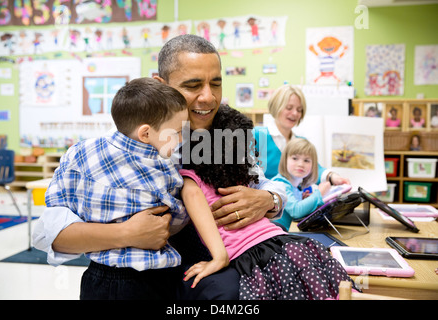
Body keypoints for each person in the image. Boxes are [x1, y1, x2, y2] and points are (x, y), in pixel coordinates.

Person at [33, 34, 287, 300]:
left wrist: (269, 200)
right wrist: (125, 233)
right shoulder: (108, 152)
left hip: (216, 279)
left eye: (216, 84)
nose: (208, 98)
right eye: (193, 85)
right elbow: (48, 234)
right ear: (161, 84)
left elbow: (264, 183)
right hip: (132, 284)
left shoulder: (226, 134)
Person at [180, 105, 353, 300]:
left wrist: (219, 258)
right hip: (286, 244)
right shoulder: (239, 174)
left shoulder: (191, 182)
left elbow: (197, 203)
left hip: (251, 257)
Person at [42, 78, 189, 299]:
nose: (180, 139)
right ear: (146, 134)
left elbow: (54, 203)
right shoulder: (160, 166)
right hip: (150, 278)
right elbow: (175, 217)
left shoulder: (79, 153)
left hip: (99, 277)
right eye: (177, 132)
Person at [253, 84, 350, 184]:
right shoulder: (256, 135)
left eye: (299, 110)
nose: (295, 113)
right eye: (289, 108)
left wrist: (332, 176)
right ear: (276, 107)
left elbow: (314, 170)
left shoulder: (300, 142)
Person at [272, 138, 331, 230]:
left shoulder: (297, 187)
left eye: (306, 161)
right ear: (285, 160)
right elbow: (296, 211)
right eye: (295, 158)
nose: (300, 164)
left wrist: (307, 200)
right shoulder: (280, 184)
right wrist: (319, 193)